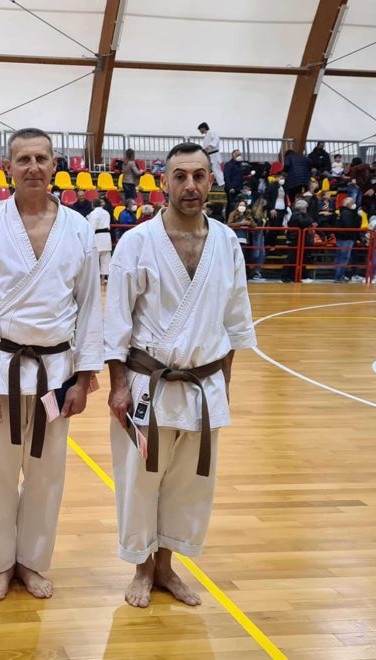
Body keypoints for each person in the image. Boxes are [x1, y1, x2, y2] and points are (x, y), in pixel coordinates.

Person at [0, 127, 103, 602]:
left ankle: (31, 561)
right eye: (23, 159)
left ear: (55, 165)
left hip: (57, 373)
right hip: (0, 368)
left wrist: (85, 378)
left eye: (41, 158)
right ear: (7, 168)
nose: (33, 167)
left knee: (47, 472)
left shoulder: (78, 228)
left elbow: (90, 307)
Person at [104, 141, 255, 609]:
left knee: (189, 484)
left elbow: (235, 320)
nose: (190, 185)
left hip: (204, 383)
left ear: (211, 181)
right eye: (181, 176)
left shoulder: (226, 242)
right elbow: (117, 320)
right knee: (140, 480)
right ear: (164, 182)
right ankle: (141, 568)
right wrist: (117, 386)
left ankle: (167, 567)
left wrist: (225, 382)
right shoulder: (137, 242)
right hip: (148, 382)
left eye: (199, 176)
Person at [334, 197, 362, 283]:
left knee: (340, 258)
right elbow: (351, 226)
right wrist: (358, 216)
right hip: (346, 239)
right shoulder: (347, 213)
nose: (354, 204)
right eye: (352, 202)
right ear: (348, 204)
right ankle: (339, 276)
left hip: (342, 238)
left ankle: (339, 275)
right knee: (343, 258)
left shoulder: (343, 212)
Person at [86, 197, 112, 283]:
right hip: (107, 237)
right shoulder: (106, 212)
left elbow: (92, 227)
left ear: (93, 205)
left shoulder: (93, 213)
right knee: (106, 259)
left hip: (97, 237)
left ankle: (95, 279)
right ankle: (103, 279)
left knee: (94, 259)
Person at [196, 123, 223, 187]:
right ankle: (207, 183)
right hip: (209, 155)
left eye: (200, 129)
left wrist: (210, 145)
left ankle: (222, 184)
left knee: (216, 170)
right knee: (207, 169)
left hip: (214, 154)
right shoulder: (206, 135)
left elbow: (216, 139)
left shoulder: (211, 132)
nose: (200, 131)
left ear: (203, 128)